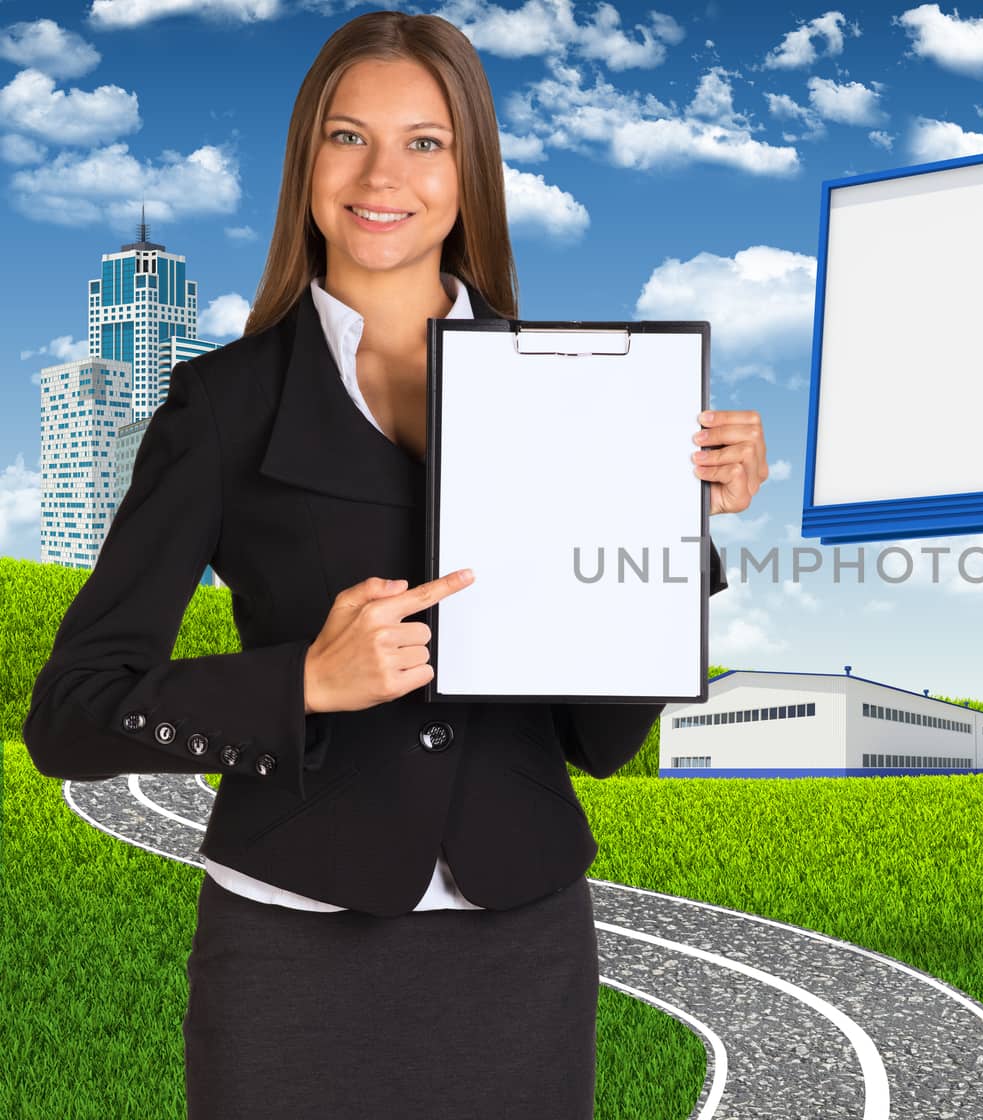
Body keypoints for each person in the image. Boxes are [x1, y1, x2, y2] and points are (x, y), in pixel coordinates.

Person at [22, 11, 766, 1119]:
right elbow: (69, 716)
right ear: (305, 164)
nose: (384, 174)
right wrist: (302, 685)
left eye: (425, 141)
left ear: (470, 171)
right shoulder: (221, 406)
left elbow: (600, 740)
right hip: (288, 950)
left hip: (521, 946)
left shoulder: (585, 395)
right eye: (346, 136)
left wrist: (679, 534)